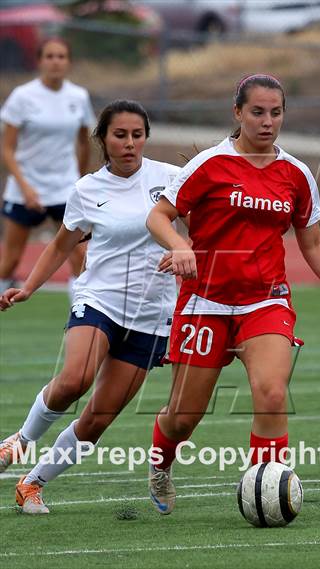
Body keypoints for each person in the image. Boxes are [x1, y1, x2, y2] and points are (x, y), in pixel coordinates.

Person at [146, 73, 320, 515]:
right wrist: (180, 245)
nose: (268, 121)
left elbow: (312, 243)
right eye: (257, 112)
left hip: (265, 301)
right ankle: (161, 464)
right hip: (204, 303)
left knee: (271, 393)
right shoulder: (209, 165)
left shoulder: (296, 174)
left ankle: (264, 492)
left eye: (276, 113)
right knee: (183, 418)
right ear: (237, 113)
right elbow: (159, 216)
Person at [0, 99, 180, 514]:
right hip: (98, 298)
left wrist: (187, 251)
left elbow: (202, 224)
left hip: (152, 314)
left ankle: (32, 484)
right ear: (102, 139)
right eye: (120, 135)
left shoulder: (171, 179)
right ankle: (22, 440)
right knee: (75, 379)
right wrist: (27, 288)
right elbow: (62, 245)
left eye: (138, 135)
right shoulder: (87, 190)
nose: (130, 143)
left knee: (98, 419)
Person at [0, 37, 96, 297]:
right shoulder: (22, 96)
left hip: (64, 189)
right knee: (9, 261)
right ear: (40, 61)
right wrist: (26, 188)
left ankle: (79, 316)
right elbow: (7, 149)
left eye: (61, 56)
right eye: (50, 56)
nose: (56, 62)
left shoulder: (78, 96)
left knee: (79, 256)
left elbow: (84, 143)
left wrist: (79, 181)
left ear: (69, 62)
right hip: (25, 189)